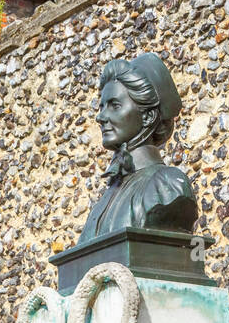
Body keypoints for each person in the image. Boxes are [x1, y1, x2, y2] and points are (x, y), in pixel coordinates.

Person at [79, 52, 197, 241]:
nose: (100, 117)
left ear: (148, 116)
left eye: (114, 105)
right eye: (101, 107)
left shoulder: (167, 185)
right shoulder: (105, 198)